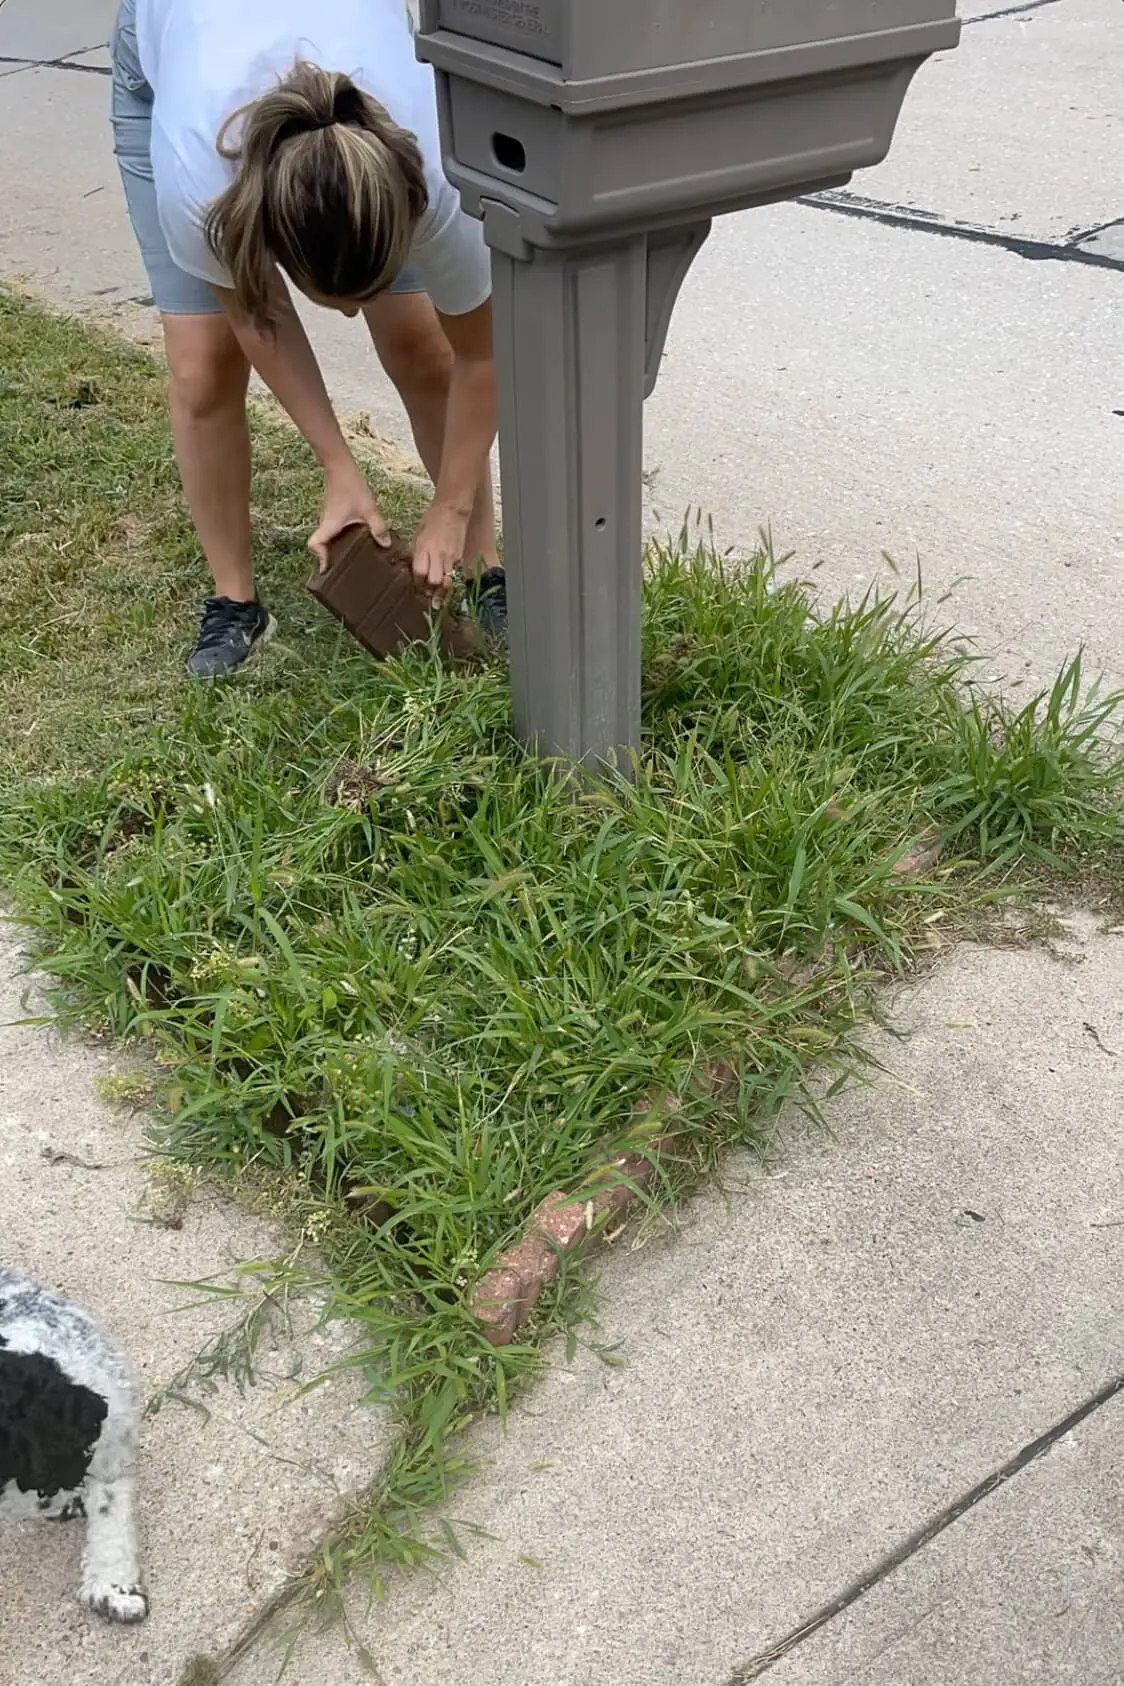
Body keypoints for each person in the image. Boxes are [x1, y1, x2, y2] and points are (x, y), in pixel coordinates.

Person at [110, 0, 505, 677]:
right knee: (204, 364)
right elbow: (256, 317)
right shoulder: (200, 183)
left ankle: (482, 566)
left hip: (358, 87)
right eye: (339, 303)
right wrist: (336, 466)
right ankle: (235, 601)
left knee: (423, 346)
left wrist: (450, 504)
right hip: (178, 39)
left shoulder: (440, 171)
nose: (353, 319)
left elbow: (482, 352)